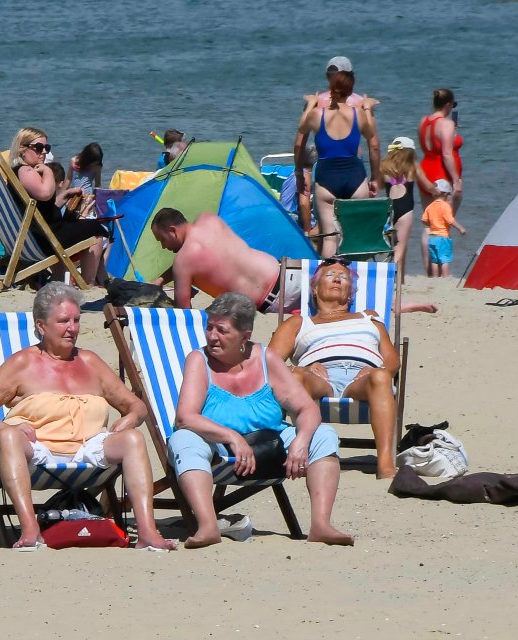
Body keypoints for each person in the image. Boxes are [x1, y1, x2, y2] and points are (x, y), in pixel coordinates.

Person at [0, 283, 177, 551]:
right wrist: (5, 427)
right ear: (41, 326)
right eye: (63, 321)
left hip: (87, 449)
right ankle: (30, 531)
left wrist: (129, 420)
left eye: (76, 320)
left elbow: (137, 406)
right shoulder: (22, 364)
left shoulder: (90, 362)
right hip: (36, 450)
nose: (72, 328)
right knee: (7, 436)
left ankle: (147, 533)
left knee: (133, 439)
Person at [171, 292, 353, 547]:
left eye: (222, 330)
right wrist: (232, 437)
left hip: (269, 445)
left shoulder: (266, 359)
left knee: (323, 434)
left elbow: (306, 409)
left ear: (245, 336)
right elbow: (185, 417)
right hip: (218, 447)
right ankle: (208, 526)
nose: (212, 336)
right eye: (209, 327)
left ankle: (321, 525)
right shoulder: (199, 361)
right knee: (183, 439)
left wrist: (301, 441)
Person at [269, 258, 401, 479]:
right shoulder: (298, 323)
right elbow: (270, 361)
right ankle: (305, 450)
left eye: (344, 277)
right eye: (330, 275)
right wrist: (303, 367)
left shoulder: (370, 319)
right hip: (320, 380)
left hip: (363, 380)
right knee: (297, 375)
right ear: (314, 288)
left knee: (381, 376)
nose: (338, 278)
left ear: (350, 292)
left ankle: (386, 463)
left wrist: (379, 368)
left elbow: (392, 360)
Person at [150, 208, 301, 313]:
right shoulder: (208, 219)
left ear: (172, 231)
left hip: (275, 302)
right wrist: (161, 279)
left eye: (162, 240)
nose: (163, 246)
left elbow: (184, 312)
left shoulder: (183, 262)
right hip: (289, 272)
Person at [296, 71, 380, 258]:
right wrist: (367, 108)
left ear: (330, 89)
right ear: (350, 92)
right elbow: (373, 144)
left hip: (327, 178)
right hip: (355, 177)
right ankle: (356, 280)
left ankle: (330, 278)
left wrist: (310, 104)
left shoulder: (317, 115)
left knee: (329, 239)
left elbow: (299, 137)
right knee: (356, 236)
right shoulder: (358, 113)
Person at [10, 127, 109, 285]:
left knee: (85, 225)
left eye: (46, 148)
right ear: (22, 149)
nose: (44, 152)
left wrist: (64, 195)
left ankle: (62, 278)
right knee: (96, 228)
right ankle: (87, 282)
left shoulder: (18, 171)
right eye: (38, 147)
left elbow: (41, 207)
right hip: (45, 238)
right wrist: (48, 171)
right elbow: (45, 193)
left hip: (36, 235)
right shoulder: (26, 171)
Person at [418, 88, 462, 270]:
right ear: (448, 104)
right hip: (441, 174)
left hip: (426, 170)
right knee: (443, 224)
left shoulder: (424, 122)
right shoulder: (446, 124)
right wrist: (456, 179)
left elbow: (429, 147)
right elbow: (446, 153)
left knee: (430, 223)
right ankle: (441, 267)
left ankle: (429, 269)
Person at [380, 136, 435, 277]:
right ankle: (388, 274)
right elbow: (428, 186)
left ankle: (401, 280)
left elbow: (379, 186)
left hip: (389, 210)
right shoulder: (413, 166)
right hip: (405, 210)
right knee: (401, 247)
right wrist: (438, 191)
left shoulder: (384, 166)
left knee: (395, 246)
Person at [422, 179, 466, 277]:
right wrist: (460, 228)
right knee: (445, 260)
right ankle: (445, 278)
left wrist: (431, 225)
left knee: (434, 260)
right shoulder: (445, 206)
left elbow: (424, 220)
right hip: (443, 237)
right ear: (445, 194)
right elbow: (450, 220)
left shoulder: (430, 206)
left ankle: (435, 277)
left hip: (432, 238)